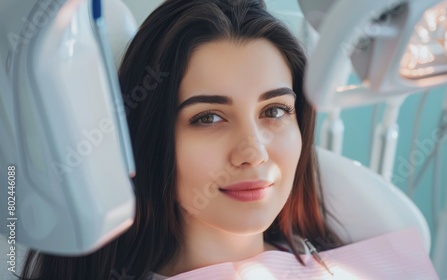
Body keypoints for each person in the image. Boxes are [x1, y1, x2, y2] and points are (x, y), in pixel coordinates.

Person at [20, 0, 343, 279]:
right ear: (150, 137)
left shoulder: (357, 252)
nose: (253, 152)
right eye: (208, 118)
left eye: (274, 110)